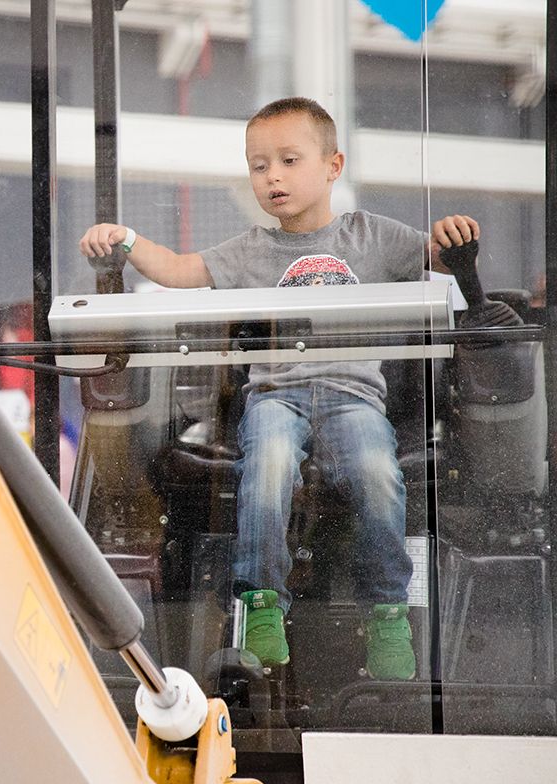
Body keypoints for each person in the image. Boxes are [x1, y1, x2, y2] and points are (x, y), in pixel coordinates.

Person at [79, 96, 479, 680]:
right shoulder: (250, 249)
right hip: (277, 396)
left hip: (353, 396)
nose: (273, 177)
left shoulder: (370, 236)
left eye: (289, 161)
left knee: (376, 472)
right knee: (264, 466)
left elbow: (441, 258)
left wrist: (453, 235)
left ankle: (388, 610)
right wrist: (128, 242)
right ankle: (261, 604)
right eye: (259, 165)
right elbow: (183, 270)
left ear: (333, 166)